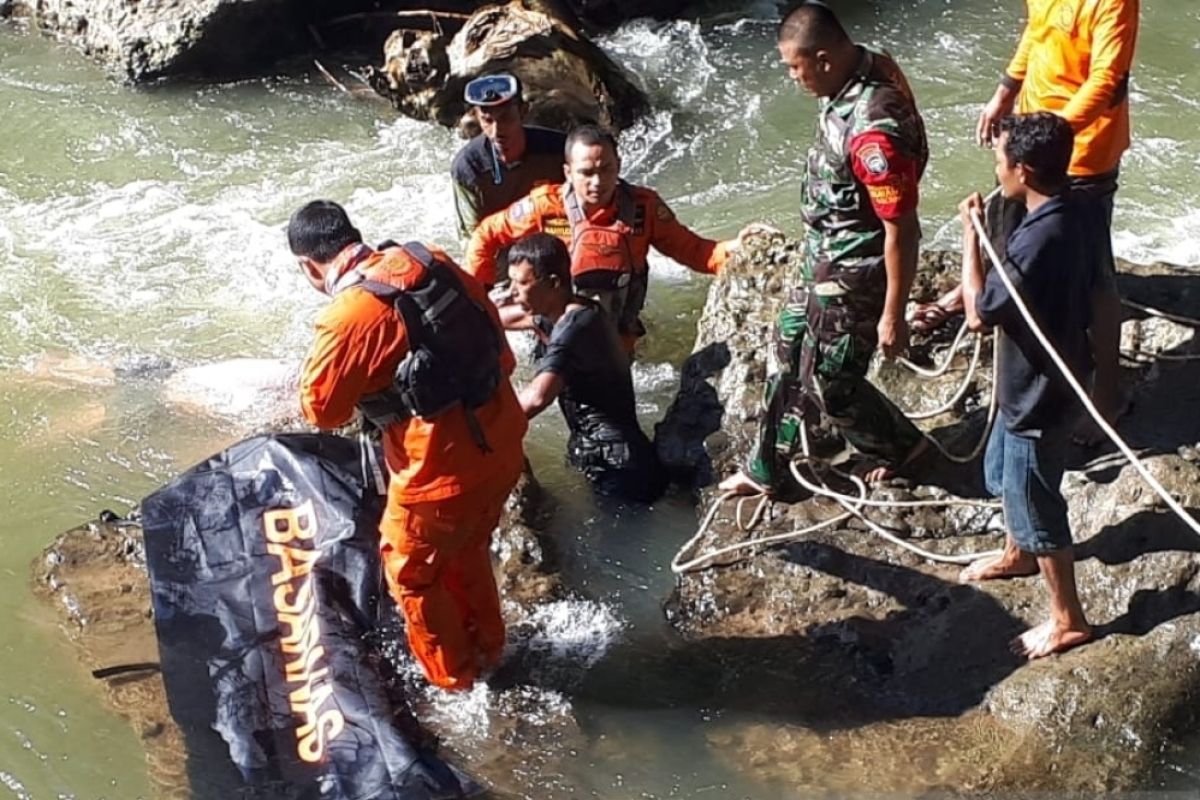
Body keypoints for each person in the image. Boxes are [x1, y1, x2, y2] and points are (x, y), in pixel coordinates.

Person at [289, 200, 527, 691]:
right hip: (503, 439)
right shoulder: (428, 258)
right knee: (467, 549)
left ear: (309, 266)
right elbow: (499, 347)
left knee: (412, 575)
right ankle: (490, 649)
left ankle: (454, 685)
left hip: (437, 472)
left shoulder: (348, 315)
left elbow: (323, 412)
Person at [720, 1, 929, 495]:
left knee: (831, 383)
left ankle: (902, 448)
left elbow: (902, 229)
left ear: (824, 59)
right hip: (823, 253)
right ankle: (766, 464)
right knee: (786, 348)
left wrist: (893, 314)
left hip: (856, 271)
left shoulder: (874, 128)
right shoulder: (856, 71)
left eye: (796, 66)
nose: (793, 77)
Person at [912, 0, 1138, 441]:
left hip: (1080, 152)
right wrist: (1005, 91)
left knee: (1097, 281)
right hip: (1030, 139)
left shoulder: (1114, 4)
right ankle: (969, 296)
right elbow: (1036, 33)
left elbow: (1104, 80)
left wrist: (1042, 142)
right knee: (1003, 228)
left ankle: (1108, 397)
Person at [957, 113, 1098, 659]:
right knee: (1003, 475)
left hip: (1039, 393)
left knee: (1037, 500)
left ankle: (1068, 619)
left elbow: (980, 312)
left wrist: (973, 237)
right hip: (1048, 378)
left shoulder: (1040, 238)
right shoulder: (1078, 207)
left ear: (1024, 170)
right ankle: (1018, 551)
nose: (997, 171)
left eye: (1001, 162)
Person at [465, 124, 764, 354]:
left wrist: (736, 248)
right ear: (568, 172)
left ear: (619, 165)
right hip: (556, 336)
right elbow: (486, 236)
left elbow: (696, 251)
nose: (598, 182)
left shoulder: (644, 207)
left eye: (606, 169)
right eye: (587, 173)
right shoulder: (545, 205)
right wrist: (479, 293)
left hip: (619, 340)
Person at [502, 232, 667, 502]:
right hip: (594, 453)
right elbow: (502, 317)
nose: (511, 291)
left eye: (520, 283)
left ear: (553, 282)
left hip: (621, 469)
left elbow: (537, 398)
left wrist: (481, 436)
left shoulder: (577, 327)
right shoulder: (559, 310)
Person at [451, 72, 567, 238]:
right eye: (487, 120)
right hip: (501, 241)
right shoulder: (468, 168)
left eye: (506, 118)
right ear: (477, 117)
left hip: (553, 234)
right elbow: (472, 236)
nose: (497, 131)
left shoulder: (559, 149)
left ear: (523, 111)